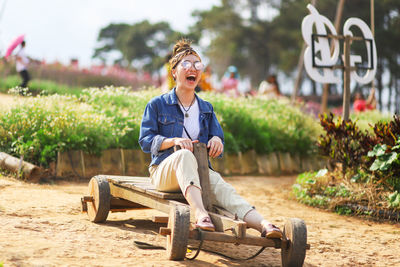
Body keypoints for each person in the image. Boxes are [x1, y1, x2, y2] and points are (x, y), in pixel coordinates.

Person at [139, 39, 282, 238]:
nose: (193, 69)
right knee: (184, 156)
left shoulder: (206, 108)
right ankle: (201, 214)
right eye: (186, 65)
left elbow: (218, 138)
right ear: (174, 72)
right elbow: (146, 140)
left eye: (198, 65)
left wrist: (217, 140)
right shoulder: (157, 104)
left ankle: (264, 225)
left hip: (200, 172)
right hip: (164, 171)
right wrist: (174, 141)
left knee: (226, 191)